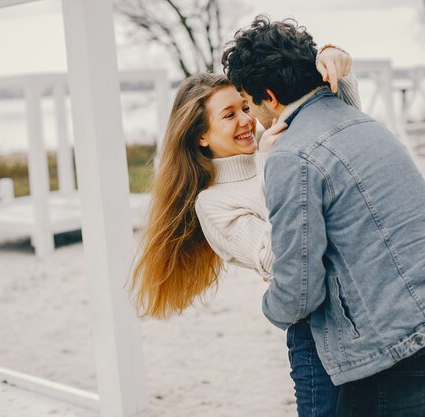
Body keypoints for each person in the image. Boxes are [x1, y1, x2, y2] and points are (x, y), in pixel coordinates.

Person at [221, 16, 425, 417]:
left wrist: (269, 307)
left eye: (249, 101)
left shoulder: (292, 155)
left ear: (270, 96)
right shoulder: (366, 123)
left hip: (399, 352)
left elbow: (298, 292)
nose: (252, 115)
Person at [131, 47, 360, 416]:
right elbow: (280, 253)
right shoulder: (213, 204)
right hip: (315, 332)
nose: (246, 120)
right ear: (201, 137)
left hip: (360, 309)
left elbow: (343, 128)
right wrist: (274, 166)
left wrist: (337, 68)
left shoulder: (271, 143)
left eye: (244, 107)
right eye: (228, 115)